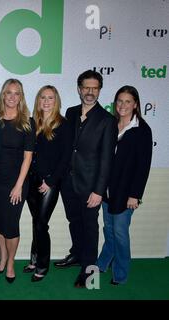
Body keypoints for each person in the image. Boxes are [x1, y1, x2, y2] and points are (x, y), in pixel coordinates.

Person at [55, 70, 118, 288]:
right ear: (79, 88)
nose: (90, 92)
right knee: (74, 222)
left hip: (91, 186)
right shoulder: (71, 113)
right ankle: (77, 255)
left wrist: (99, 191)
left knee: (90, 229)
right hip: (68, 183)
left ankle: (90, 272)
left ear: (99, 89)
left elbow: (107, 159)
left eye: (95, 88)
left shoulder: (107, 120)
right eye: (86, 87)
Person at [97, 86, 152, 285]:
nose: (123, 105)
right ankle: (102, 263)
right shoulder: (110, 124)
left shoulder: (142, 130)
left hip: (126, 193)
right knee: (109, 230)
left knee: (120, 234)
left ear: (135, 104)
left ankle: (120, 273)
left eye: (128, 101)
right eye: (119, 101)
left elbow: (143, 166)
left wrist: (135, 195)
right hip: (106, 191)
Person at [0, 79, 34, 284]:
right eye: (9, 93)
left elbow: (28, 157)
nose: (12, 97)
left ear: (21, 97)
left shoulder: (27, 122)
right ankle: (2, 257)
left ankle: (11, 263)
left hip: (17, 183)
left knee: (11, 225)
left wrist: (18, 186)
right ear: (3, 95)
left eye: (17, 93)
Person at [23, 85, 71, 282]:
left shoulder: (63, 124)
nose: (46, 101)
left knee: (42, 224)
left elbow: (66, 157)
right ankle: (34, 259)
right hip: (31, 181)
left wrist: (50, 181)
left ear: (56, 100)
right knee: (36, 222)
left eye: (50, 98)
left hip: (49, 183)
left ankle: (42, 265)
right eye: (42, 97)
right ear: (38, 100)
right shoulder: (32, 123)